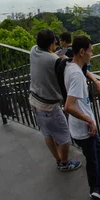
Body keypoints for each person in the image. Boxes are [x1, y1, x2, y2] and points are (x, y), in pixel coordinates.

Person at [64, 35, 100, 200]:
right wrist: (90, 120)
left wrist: (95, 81)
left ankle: (98, 187)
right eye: (90, 51)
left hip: (81, 126)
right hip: (84, 127)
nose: (92, 54)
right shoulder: (77, 76)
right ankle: (96, 189)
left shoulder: (70, 66)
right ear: (81, 52)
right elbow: (68, 106)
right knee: (94, 159)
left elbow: (83, 70)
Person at [28, 29, 82, 172]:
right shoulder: (54, 60)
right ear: (52, 44)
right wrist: (63, 60)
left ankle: (58, 160)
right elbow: (62, 69)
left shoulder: (33, 51)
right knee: (65, 138)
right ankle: (64, 163)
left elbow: (48, 55)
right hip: (49, 105)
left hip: (34, 101)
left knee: (47, 134)